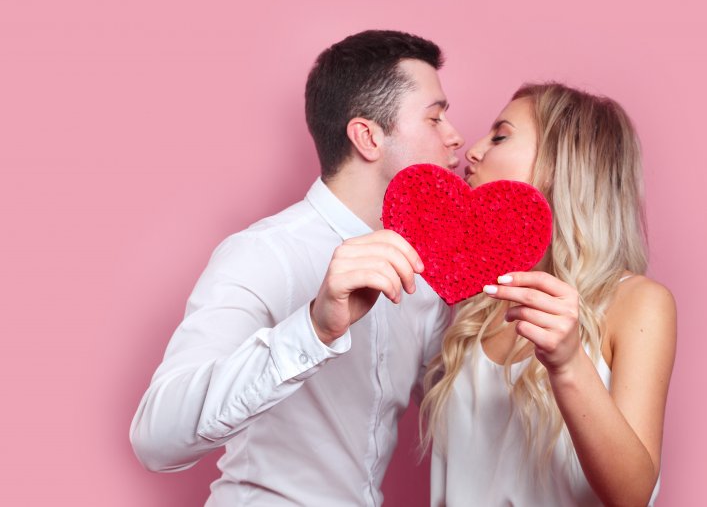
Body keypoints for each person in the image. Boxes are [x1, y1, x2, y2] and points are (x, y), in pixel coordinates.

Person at [130, 29, 464, 506]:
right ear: (368, 136)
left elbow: (459, 414)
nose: (455, 137)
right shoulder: (262, 254)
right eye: (435, 118)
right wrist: (312, 329)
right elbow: (155, 439)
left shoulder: (423, 274)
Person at [419, 83, 677, 506]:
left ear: (562, 163)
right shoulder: (476, 304)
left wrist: (568, 362)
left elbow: (632, 495)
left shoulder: (638, 303)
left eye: (500, 136)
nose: (474, 151)